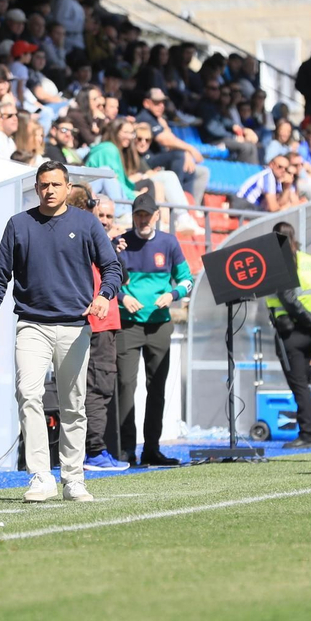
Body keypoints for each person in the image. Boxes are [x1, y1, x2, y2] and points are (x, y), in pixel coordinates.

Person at [0, 161, 121, 503]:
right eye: (44, 185)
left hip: (74, 326)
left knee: (74, 405)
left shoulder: (86, 223)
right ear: (37, 188)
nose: (50, 190)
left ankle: (73, 477)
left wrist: (104, 295)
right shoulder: (19, 225)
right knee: (28, 394)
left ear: (68, 188)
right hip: (32, 324)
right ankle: (41, 476)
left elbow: (111, 266)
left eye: (56, 184)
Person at [112, 188, 193, 468]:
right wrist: (123, 297)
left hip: (159, 325)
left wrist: (172, 295)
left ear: (157, 216)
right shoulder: (119, 243)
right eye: (138, 215)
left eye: (147, 214)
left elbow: (187, 279)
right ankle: (124, 449)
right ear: (132, 217)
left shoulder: (169, 244)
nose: (143, 219)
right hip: (128, 325)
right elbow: (106, 278)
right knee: (124, 385)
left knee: (156, 386)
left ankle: (152, 448)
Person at [265, 220, 311, 449]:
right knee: (303, 384)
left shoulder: (278, 264)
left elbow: (289, 300)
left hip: (291, 332)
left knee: (299, 386)